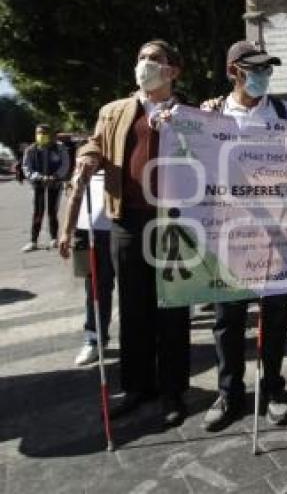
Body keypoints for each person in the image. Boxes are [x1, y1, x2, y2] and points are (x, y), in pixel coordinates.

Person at [59, 39, 191, 427]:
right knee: (134, 306)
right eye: (142, 58)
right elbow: (94, 144)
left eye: (155, 59)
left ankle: (172, 391)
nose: (146, 64)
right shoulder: (114, 110)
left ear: (173, 71)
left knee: (173, 307)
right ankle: (137, 387)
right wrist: (85, 160)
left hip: (174, 221)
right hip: (126, 219)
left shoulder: (190, 113)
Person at [199, 40, 287, 432]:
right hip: (228, 234)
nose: (263, 76)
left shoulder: (285, 112)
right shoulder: (211, 114)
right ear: (232, 72)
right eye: (254, 69)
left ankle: (273, 388)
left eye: (267, 69)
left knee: (275, 316)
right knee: (228, 318)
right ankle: (229, 392)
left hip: (276, 232)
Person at [72, 170, 115, 366]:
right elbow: (74, 194)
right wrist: (67, 230)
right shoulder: (91, 150)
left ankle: (139, 340)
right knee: (96, 288)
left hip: (130, 223)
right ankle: (94, 337)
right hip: (93, 228)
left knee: (135, 288)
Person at [21, 123, 69, 251]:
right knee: (38, 212)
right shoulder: (31, 149)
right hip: (38, 184)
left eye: (43, 133)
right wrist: (38, 176)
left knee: (52, 212)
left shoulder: (59, 148)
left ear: (50, 135)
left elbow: (65, 164)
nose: (40, 135)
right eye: (38, 133)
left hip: (55, 183)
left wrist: (56, 175)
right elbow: (26, 167)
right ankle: (33, 241)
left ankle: (54, 238)